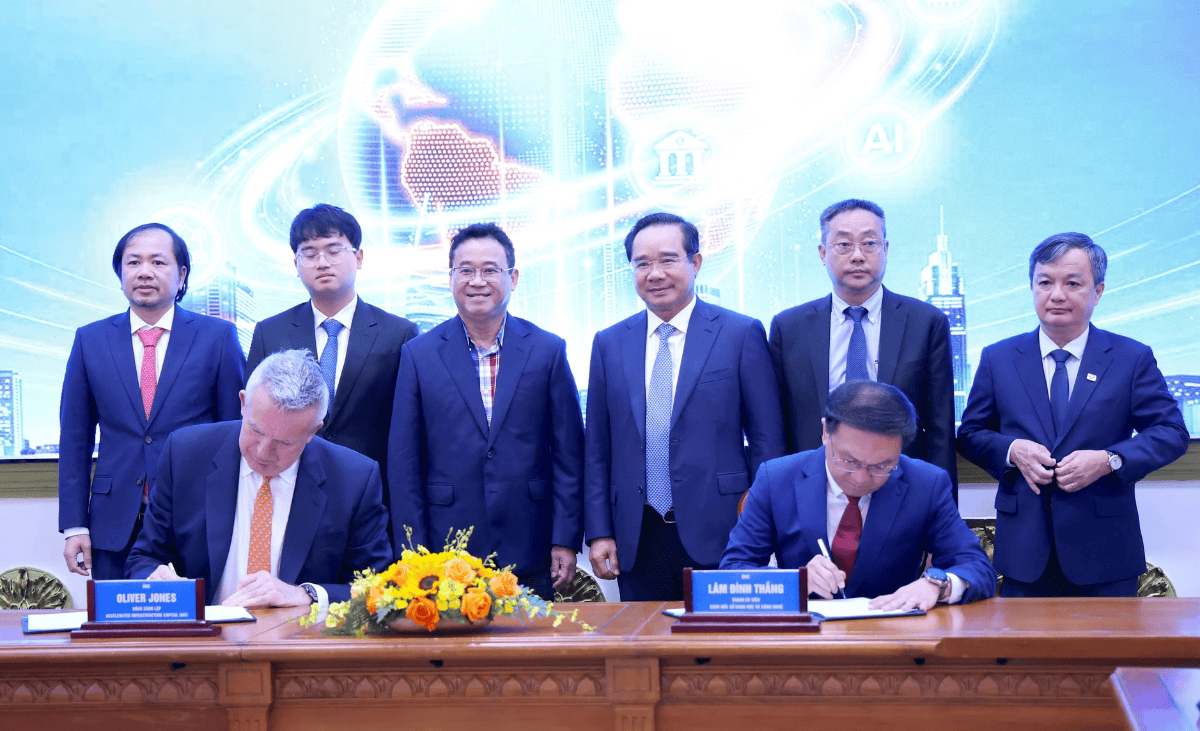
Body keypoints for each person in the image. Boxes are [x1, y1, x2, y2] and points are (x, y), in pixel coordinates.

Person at [958, 233, 1188, 597]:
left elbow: (1171, 432)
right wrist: (1012, 450)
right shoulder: (998, 358)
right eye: (1045, 282)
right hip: (1023, 553)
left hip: (1105, 552)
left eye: (1072, 283)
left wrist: (1109, 459)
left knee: (1108, 638)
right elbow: (970, 433)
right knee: (1023, 638)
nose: (1057, 294)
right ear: (1031, 287)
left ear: (1098, 292)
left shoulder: (1131, 358)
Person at [584, 212, 786, 601]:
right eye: (642, 264)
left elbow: (766, 440)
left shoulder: (740, 333)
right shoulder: (609, 343)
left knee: (723, 637)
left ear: (695, 262)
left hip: (724, 529)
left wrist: (762, 523)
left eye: (667, 260)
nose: (655, 273)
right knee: (644, 637)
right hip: (637, 535)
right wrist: (599, 531)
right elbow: (597, 448)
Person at [388, 223, 584, 600]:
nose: (477, 281)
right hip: (444, 549)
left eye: (490, 270)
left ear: (513, 277)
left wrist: (565, 538)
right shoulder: (418, 355)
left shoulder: (547, 350)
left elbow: (569, 455)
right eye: (466, 270)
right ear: (450, 278)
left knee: (531, 638)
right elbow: (404, 462)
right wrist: (412, 552)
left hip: (531, 541)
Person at [126, 350, 392, 608]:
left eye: (284, 442)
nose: (264, 452)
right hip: (206, 634)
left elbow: (379, 589)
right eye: (256, 430)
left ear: (313, 431)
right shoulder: (186, 455)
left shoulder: (353, 479)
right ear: (243, 403)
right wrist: (154, 580)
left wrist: (306, 594)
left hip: (298, 635)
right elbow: (144, 558)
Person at [58, 223, 245, 580]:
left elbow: (233, 433)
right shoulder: (90, 340)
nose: (144, 272)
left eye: (158, 262)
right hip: (113, 524)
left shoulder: (217, 337)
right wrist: (74, 525)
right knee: (116, 617)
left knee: (199, 615)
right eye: (133, 262)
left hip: (197, 518)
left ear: (182, 275)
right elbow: (74, 440)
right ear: (120, 274)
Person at [723, 381, 995, 610]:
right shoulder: (776, 478)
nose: (861, 478)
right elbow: (733, 570)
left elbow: (977, 566)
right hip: (804, 638)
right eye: (849, 461)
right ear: (825, 433)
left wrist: (936, 585)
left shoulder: (926, 484)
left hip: (893, 638)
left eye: (882, 466)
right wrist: (795, 582)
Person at [768, 199, 958, 497]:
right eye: (844, 244)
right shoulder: (789, 327)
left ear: (886, 249)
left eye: (869, 243)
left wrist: (942, 508)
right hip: (811, 489)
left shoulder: (926, 323)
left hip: (900, 488)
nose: (857, 256)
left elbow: (940, 429)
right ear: (822, 253)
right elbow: (774, 427)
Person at [245, 204, 419, 511]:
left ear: (359, 257)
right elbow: (251, 419)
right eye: (310, 253)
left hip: (371, 495)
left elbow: (408, 429)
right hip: (288, 490)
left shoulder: (398, 334)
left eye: (334, 250)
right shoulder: (270, 332)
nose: (322, 262)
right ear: (296, 264)